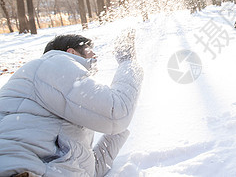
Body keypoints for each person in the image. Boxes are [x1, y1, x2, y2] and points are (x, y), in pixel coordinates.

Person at [0, 30, 143, 177]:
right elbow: (116, 113)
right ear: (72, 52)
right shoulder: (54, 63)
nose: (95, 60)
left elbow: (88, 170)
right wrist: (127, 62)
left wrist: (117, 132)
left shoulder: (54, 98)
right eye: (91, 55)